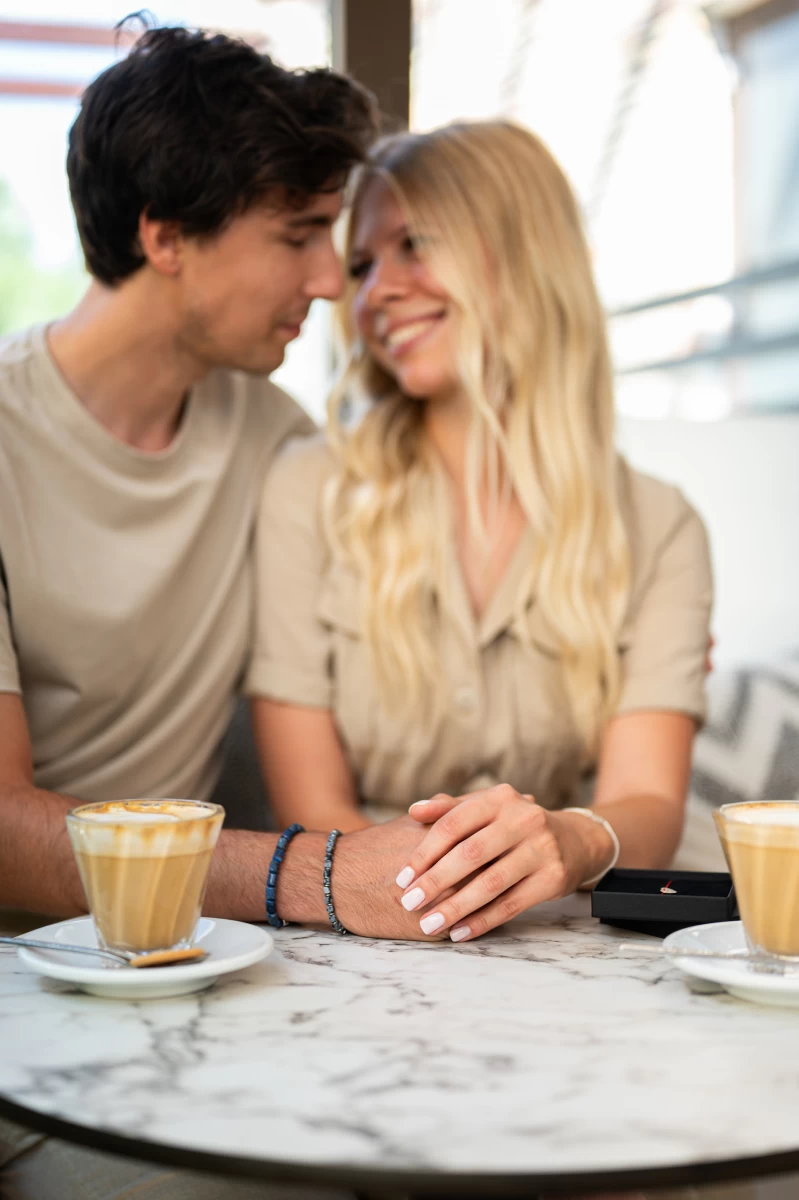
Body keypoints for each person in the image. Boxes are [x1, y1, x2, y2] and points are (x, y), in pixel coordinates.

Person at [0, 24, 482, 1200]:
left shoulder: (275, 442)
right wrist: (317, 875)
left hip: (208, 966)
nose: (333, 281)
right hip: (29, 989)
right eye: (299, 236)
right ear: (163, 235)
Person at [248, 120, 714, 944]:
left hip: (556, 935)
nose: (372, 293)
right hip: (354, 935)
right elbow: (310, 806)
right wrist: (414, 901)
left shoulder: (661, 526)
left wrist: (568, 841)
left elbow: (645, 806)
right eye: (362, 266)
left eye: (412, 244)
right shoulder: (305, 490)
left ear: (522, 251)